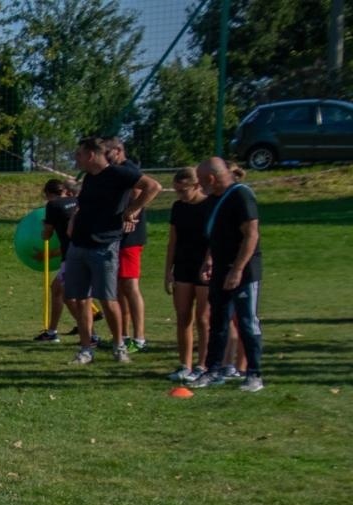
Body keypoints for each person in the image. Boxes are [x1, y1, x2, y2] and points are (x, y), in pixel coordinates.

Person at [63, 136, 161, 365]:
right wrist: (74, 220)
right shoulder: (88, 178)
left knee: (108, 299)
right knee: (80, 298)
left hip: (104, 246)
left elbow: (153, 186)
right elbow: (84, 205)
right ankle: (86, 349)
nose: (76, 159)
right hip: (79, 244)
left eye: (78, 154)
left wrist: (134, 210)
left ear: (90, 154)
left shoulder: (119, 174)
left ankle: (119, 345)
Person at [192, 157, 264, 392]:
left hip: (243, 271)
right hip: (220, 269)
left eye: (201, 181)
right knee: (218, 321)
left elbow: (251, 235)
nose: (199, 186)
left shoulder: (241, 195)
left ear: (211, 179)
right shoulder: (214, 199)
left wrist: (237, 269)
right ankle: (213, 370)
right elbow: (217, 234)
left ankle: (254, 374)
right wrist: (209, 260)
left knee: (246, 322)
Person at [163, 167, 212, 383]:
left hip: (203, 268)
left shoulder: (210, 206)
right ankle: (185, 364)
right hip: (182, 266)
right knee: (183, 317)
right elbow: (172, 241)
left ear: (197, 185)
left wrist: (210, 262)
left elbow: (215, 239)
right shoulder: (178, 207)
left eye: (183, 190)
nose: (180, 195)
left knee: (203, 318)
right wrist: (168, 271)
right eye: (177, 191)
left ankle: (204, 364)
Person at [106, 138, 149, 351]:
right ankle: (122, 335)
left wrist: (132, 212)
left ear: (118, 150)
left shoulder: (129, 170)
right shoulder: (113, 171)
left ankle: (139, 338)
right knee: (119, 287)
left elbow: (142, 192)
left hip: (130, 237)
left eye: (107, 152)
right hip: (116, 236)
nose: (104, 156)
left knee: (130, 286)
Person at [36, 178, 78, 343]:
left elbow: (47, 234)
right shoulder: (76, 201)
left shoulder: (53, 206)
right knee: (58, 290)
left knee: (67, 295)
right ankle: (52, 331)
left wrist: (44, 227)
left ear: (48, 194)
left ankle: (89, 332)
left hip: (71, 257)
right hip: (82, 252)